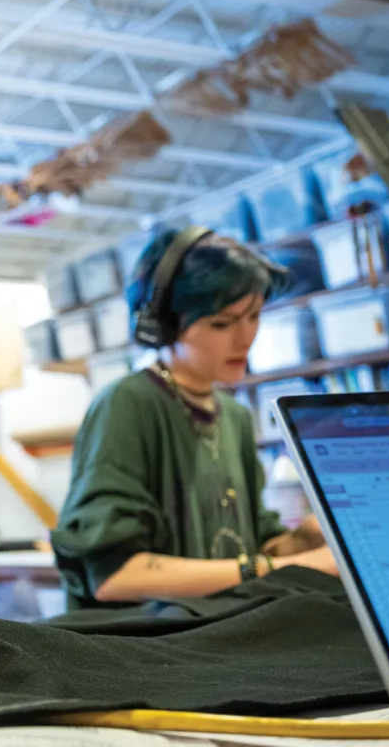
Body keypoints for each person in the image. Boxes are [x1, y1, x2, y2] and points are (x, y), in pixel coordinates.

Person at [51, 227, 339, 611]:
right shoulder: (128, 404)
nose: (245, 338)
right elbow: (116, 576)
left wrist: (312, 536)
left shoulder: (234, 416)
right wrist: (281, 566)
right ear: (162, 324)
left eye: (253, 316)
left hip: (212, 635)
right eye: (222, 323)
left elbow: (251, 544)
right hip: (146, 648)